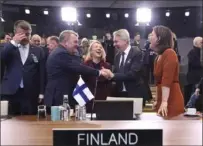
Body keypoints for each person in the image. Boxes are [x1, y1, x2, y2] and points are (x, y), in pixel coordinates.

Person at [44, 30, 108, 108]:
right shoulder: (60, 53)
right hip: (58, 97)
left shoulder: (65, 52)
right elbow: (77, 67)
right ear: (66, 42)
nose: (77, 45)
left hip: (63, 96)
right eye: (75, 42)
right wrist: (98, 72)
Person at [0, 20, 46, 115]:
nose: (25, 37)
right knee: (9, 123)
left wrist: (41, 92)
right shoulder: (7, 47)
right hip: (11, 91)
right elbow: (2, 57)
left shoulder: (38, 50)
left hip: (30, 92)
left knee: (29, 123)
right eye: (22, 34)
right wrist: (14, 43)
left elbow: (42, 73)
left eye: (28, 34)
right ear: (15, 33)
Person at [102, 29, 151, 106]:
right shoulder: (117, 56)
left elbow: (133, 74)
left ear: (125, 41)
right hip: (120, 94)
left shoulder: (137, 53)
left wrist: (112, 75)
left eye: (116, 41)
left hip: (135, 94)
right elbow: (116, 74)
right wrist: (108, 75)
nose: (114, 44)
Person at [150, 25, 184, 118]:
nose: (150, 37)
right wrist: (157, 100)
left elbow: (167, 80)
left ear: (159, 38)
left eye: (152, 35)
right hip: (163, 99)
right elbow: (158, 82)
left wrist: (164, 102)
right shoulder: (157, 57)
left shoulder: (170, 53)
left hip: (172, 99)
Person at [82, 40, 111, 112]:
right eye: (96, 47)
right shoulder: (84, 65)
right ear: (91, 51)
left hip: (102, 99)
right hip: (88, 99)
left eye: (100, 47)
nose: (99, 48)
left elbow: (109, 83)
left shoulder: (107, 65)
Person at [186, 37, 203, 104]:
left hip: (200, 78)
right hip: (195, 78)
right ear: (196, 43)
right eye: (201, 42)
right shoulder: (192, 52)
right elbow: (194, 64)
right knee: (195, 95)